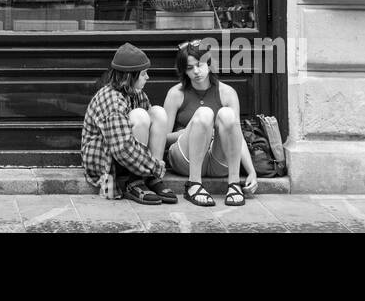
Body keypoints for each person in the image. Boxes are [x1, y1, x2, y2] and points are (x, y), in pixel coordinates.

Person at [162, 40, 257, 206]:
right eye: (190, 68)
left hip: (217, 160)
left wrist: (251, 172)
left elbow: (238, 137)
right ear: (184, 71)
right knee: (205, 113)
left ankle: (234, 184)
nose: (196, 71)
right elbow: (162, 139)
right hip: (186, 159)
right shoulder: (176, 94)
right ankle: (194, 185)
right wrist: (190, 131)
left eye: (200, 65)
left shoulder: (227, 93)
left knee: (227, 115)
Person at [80, 43, 179, 204]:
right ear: (129, 76)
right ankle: (135, 181)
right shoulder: (111, 99)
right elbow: (123, 148)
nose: (148, 77)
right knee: (140, 116)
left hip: (131, 158)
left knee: (158, 112)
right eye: (144, 74)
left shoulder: (136, 93)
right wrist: (155, 166)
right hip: (106, 158)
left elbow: (151, 130)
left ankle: (151, 179)